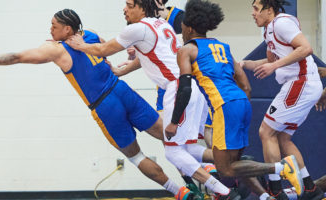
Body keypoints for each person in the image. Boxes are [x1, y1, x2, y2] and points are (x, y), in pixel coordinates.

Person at [0, 8, 196, 200]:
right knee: (172, 137)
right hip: (123, 91)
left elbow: (19, 57)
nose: (49, 29)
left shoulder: (57, 50)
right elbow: (110, 47)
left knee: (135, 156)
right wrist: (131, 51)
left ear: (67, 29)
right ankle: (203, 178)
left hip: (105, 106)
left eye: (54, 26)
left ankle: (181, 194)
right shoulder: (90, 35)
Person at [65, 0, 241, 199]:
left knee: (173, 152)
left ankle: (225, 192)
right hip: (193, 86)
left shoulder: (137, 29)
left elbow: (103, 50)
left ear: (142, 7)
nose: (125, 9)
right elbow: (147, 57)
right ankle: (231, 164)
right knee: (188, 148)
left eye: (130, 5)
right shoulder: (161, 23)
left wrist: (81, 45)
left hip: (178, 88)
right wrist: (122, 70)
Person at [166, 1, 305, 200]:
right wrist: (239, 107)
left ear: (188, 27)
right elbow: (246, 86)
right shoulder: (223, 47)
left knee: (226, 169)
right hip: (242, 102)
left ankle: (281, 167)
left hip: (225, 106)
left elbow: (185, 89)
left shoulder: (186, 50)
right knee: (237, 165)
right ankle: (267, 197)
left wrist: (173, 122)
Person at [241, 0, 324, 199]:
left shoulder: (281, 23)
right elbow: (270, 60)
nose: (252, 13)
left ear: (269, 10)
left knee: (265, 132)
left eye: (256, 8)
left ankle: (276, 189)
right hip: (301, 84)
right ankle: (310, 188)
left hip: (301, 82)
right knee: (282, 137)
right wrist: (244, 63)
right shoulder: (270, 29)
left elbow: (305, 48)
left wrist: (274, 67)